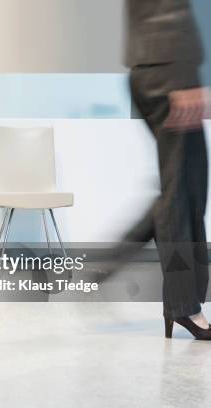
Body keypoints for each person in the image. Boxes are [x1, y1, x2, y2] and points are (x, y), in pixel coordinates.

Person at [119, 0, 211, 339]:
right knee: (178, 196)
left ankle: (182, 302)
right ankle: (183, 306)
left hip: (162, 66)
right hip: (167, 69)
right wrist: (184, 77)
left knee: (189, 189)